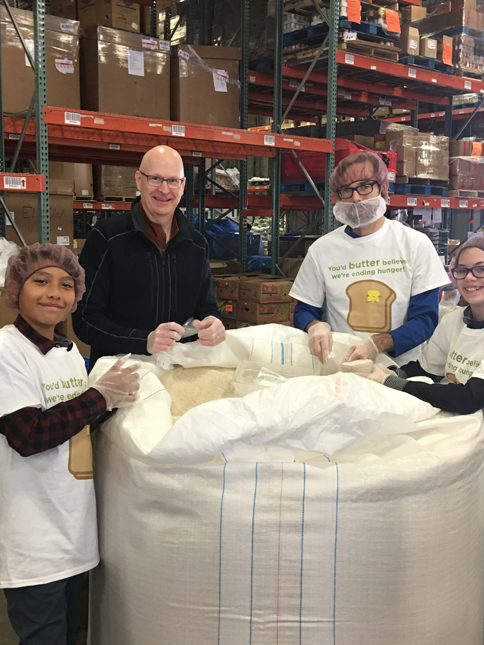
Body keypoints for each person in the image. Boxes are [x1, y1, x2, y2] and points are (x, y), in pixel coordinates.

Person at [0, 243, 141, 645]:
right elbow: (28, 435)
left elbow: (76, 423)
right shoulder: (8, 351)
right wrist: (99, 396)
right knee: (43, 635)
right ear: (15, 290)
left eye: (66, 285)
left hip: (73, 532)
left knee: (68, 633)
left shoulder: (67, 352)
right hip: (33, 537)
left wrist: (120, 402)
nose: (54, 293)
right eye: (40, 281)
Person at [290, 152, 449, 366]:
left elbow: (425, 320)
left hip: (401, 370)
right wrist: (315, 326)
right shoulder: (322, 249)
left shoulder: (414, 244)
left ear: (382, 188)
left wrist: (377, 344)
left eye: (365, 186)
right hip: (343, 366)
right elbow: (304, 309)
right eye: (346, 190)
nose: (356, 198)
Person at [72, 145, 225, 368]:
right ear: (138, 180)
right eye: (155, 178)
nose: (164, 189)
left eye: (173, 180)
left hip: (178, 373)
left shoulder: (196, 245)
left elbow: (206, 308)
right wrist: (144, 341)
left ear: (183, 185)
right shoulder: (107, 238)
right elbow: (85, 319)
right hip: (120, 376)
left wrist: (214, 322)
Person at [358, 236, 484, 413]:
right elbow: (426, 369)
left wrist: (391, 382)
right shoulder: (453, 321)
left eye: (481, 269)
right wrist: (393, 373)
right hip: (457, 419)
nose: (469, 277)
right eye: (462, 270)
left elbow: (470, 398)